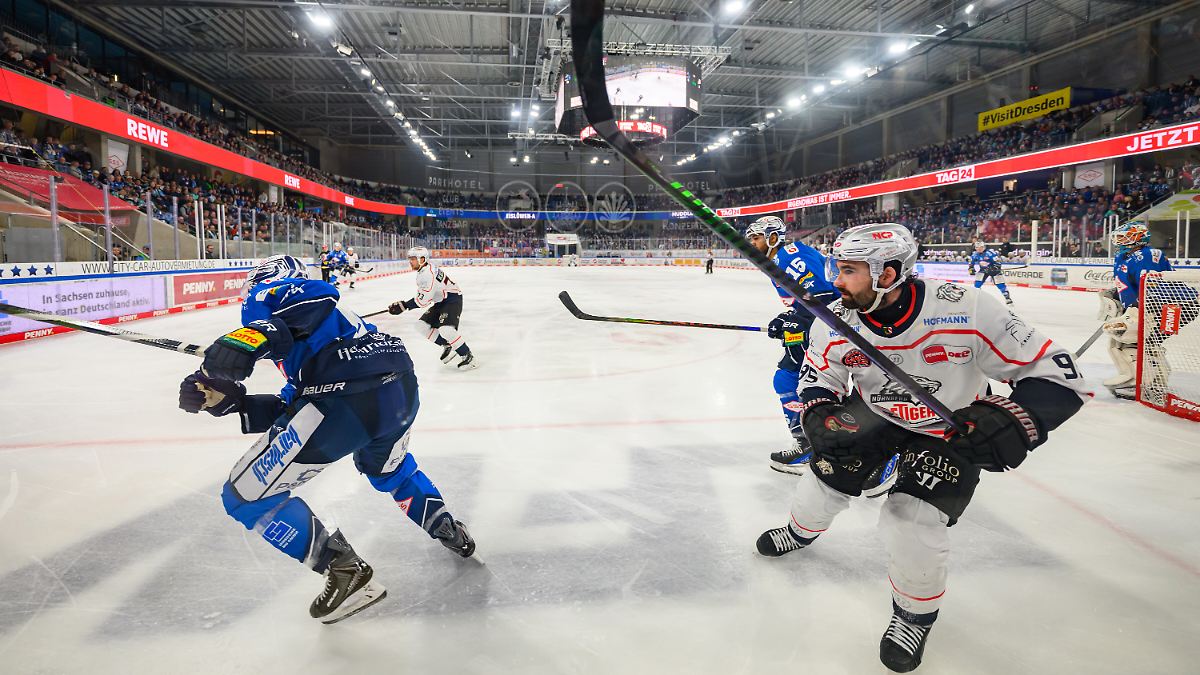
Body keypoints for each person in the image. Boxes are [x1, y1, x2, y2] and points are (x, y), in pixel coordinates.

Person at [755, 223, 1090, 672]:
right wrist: (817, 409)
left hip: (951, 427)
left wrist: (1015, 419)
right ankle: (802, 530)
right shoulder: (837, 318)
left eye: (848, 271)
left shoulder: (967, 309)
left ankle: (914, 615)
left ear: (888, 274)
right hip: (877, 412)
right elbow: (821, 373)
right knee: (822, 481)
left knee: (910, 521)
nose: (836, 281)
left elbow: (1059, 376)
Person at [176, 254, 476, 624]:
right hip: (397, 386)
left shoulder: (269, 296)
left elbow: (317, 296)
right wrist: (232, 403)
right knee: (389, 471)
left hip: (344, 398)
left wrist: (251, 336)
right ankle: (445, 525)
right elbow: (296, 402)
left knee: (243, 497)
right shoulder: (331, 336)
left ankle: (343, 568)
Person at [744, 215, 838, 475]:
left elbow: (825, 296)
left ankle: (816, 446)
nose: (751, 244)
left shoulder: (789, 254)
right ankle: (810, 444)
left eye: (756, 238)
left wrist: (796, 320)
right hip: (816, 325)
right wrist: (789, 319)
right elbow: (805, 302)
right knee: (787, 381)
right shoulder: (777, 259)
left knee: (794, 381)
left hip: (832, 328)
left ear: (772, 237)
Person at [1098, 221, 1174, 399]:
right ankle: (1153, 379)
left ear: (1137, 238)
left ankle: (1141, 381)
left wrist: (1138, 309)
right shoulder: (1124, 257)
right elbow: (1131, 283)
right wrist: (1116, 294)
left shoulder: (1146, 255)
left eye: (1124, 237)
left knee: (1124, 335)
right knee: (1121, 341)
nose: (1120, 241)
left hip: (1160, 307)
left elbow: (1151, 285)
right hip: (1142, 308)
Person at [389, 246, 478, 370]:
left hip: (452, 299)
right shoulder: (423, 270)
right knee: (420, 326)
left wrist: (404, 306)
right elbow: (424, 297)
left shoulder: (427, 274)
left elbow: (423, 301)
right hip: (441, 301)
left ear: (422, 259)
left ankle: (468, 356)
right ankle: (447, 344)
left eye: (413, 259)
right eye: (410, 258)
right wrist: (403, 305)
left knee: (446, 329)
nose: (410, 261)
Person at [967, 240, 1013, 305]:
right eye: (977, 247)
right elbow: (971, 263)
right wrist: (971, 269)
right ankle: (976, 298)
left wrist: (995, 267)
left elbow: (998, 263)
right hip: (983, 270)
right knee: (977, 284)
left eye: (981, 247)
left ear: (984, 247)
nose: (979, 249)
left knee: (1000, 284)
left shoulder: (990, 253)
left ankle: (1007, 298)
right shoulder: (974, 254)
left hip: (994, 271)